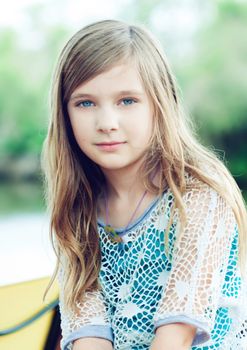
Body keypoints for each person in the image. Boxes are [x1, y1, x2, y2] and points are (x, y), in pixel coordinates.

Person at [42, 19, 247, 350]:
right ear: (65, 114)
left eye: (127, 101)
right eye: (85, 103)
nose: (107, 123)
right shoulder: (77, 209)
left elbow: (176, 339)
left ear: (159, 104)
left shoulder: (199, 197)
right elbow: (89, 338)